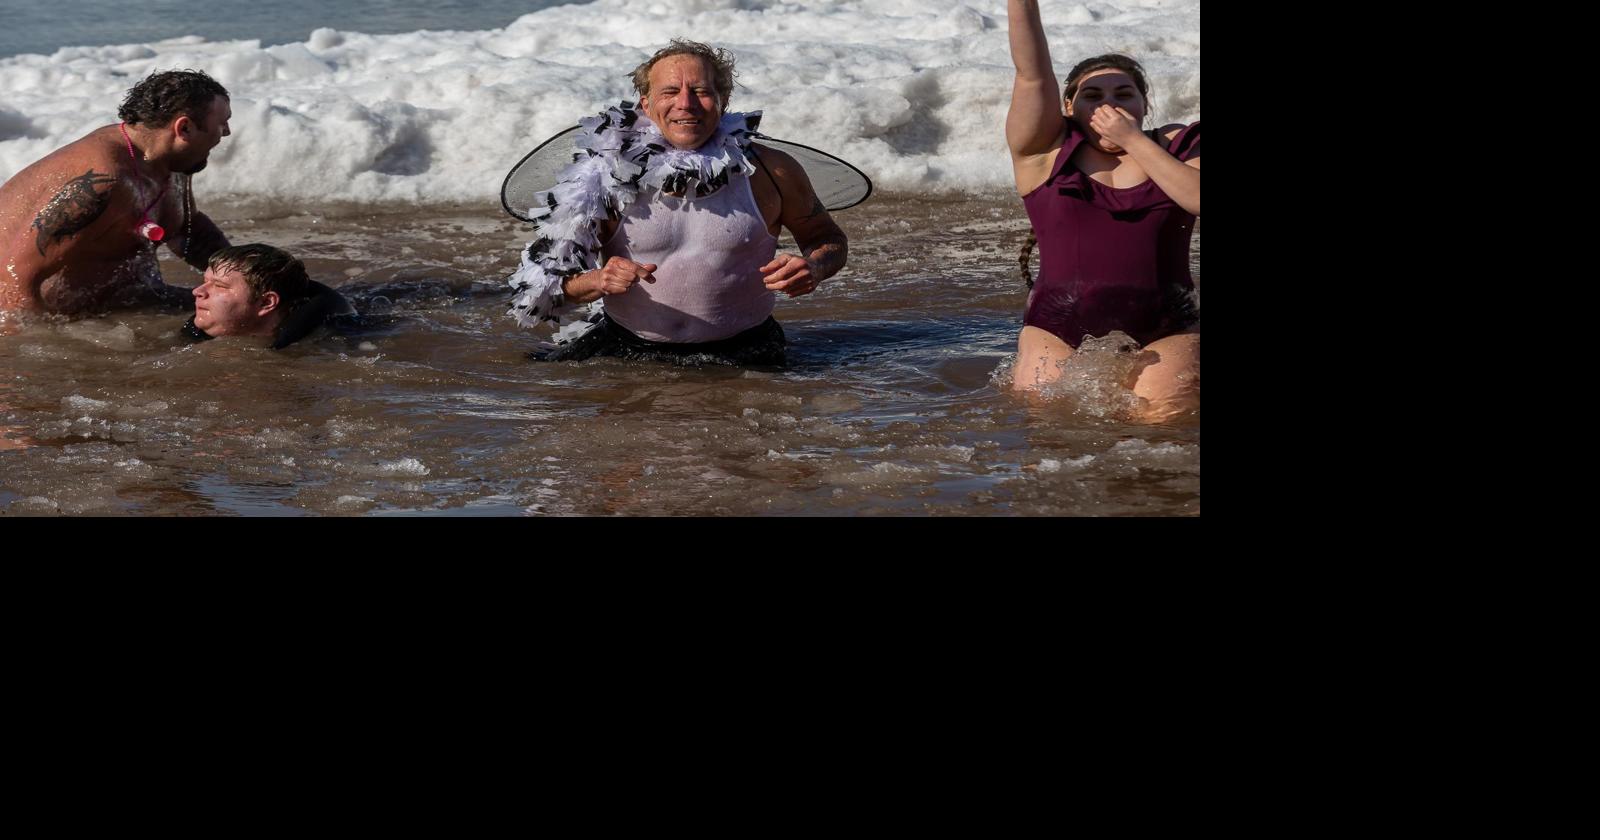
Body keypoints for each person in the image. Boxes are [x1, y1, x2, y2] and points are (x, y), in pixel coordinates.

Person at [508, 39, 848, 366]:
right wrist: (597, 280)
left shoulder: (772, 170)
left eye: (700, 91)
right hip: (625, 349)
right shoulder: (603, 178)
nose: (685, 103)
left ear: (723, 100)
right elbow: (544, 287)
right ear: (646, 104)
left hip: (748, 349)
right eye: (670, 91)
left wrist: (814, 268)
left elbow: (826, 237)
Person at [1005, 0, 1200, 420]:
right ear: (1069, 108)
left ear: (1144, 105)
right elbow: (1031, 73)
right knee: (1052, 426)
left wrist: (1134, 141)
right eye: (1092, 96)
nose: (1108, 105)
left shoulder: (1178, 146)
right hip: (1056, 326)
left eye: (1123, 94)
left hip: (1167, 325)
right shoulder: (1044, 152)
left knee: (1162, 422)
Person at [0, 69, 233, 315]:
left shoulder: (174, 162)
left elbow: (187, 231)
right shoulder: (101, 181)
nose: (227, 132)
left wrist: (249, 275)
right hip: (51, 316)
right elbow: (12, 279)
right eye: (222, 123)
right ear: (184, 128)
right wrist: (38, 350)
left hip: (127, 302)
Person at [182, 243, 354, 349]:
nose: (197, 291)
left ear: (266, 302)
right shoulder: (200, 323)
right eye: (205, 281)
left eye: (220, 286)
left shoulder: (328, 342)